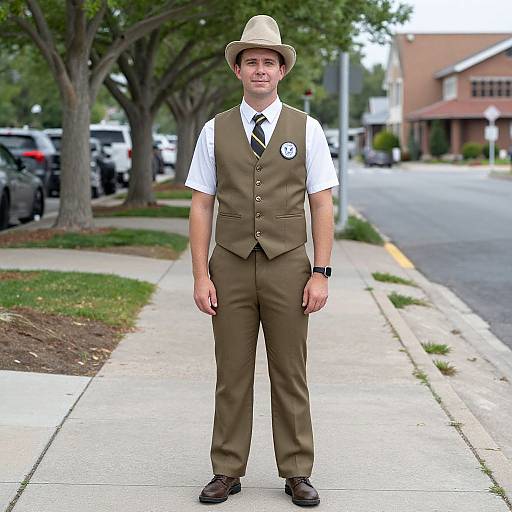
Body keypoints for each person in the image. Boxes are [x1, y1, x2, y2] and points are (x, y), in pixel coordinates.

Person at [185, 14, 339, 507]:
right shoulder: (214, 131)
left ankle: (297, 471)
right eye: (251, 61)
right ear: (238, 70)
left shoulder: (306, 128)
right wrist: (199, 274)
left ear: (281, 70)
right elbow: (201, 204)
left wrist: (320, 271)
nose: (259, 70)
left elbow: (321, 202)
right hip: (228, 264)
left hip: (289, 265)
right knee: (231, 373)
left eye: (268, 62)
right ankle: (227, 468)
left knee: (290, 372)